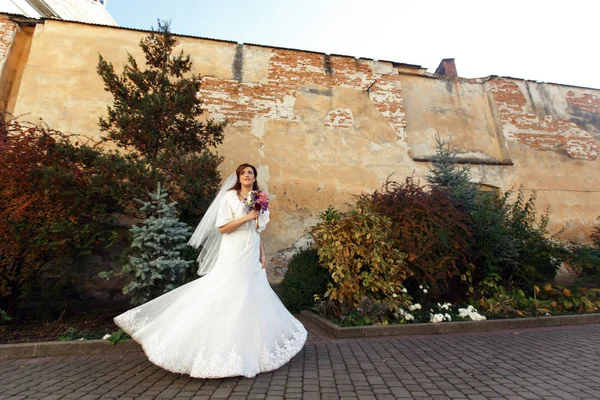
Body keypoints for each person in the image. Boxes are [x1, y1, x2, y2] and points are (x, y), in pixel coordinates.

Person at [114, 163, 307, 379]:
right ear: (238, 177)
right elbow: (223, 228)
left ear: (254, 177)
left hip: (251, 251)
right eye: (243, 173)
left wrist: (262, 254)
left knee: (250, 296)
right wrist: (247, 216)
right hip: (233, 251)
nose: (247, 175)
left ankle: (249, 350)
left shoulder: (259, 198)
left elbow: (258, 230)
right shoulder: (230, 197)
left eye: (250, 173)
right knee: (227, 292)